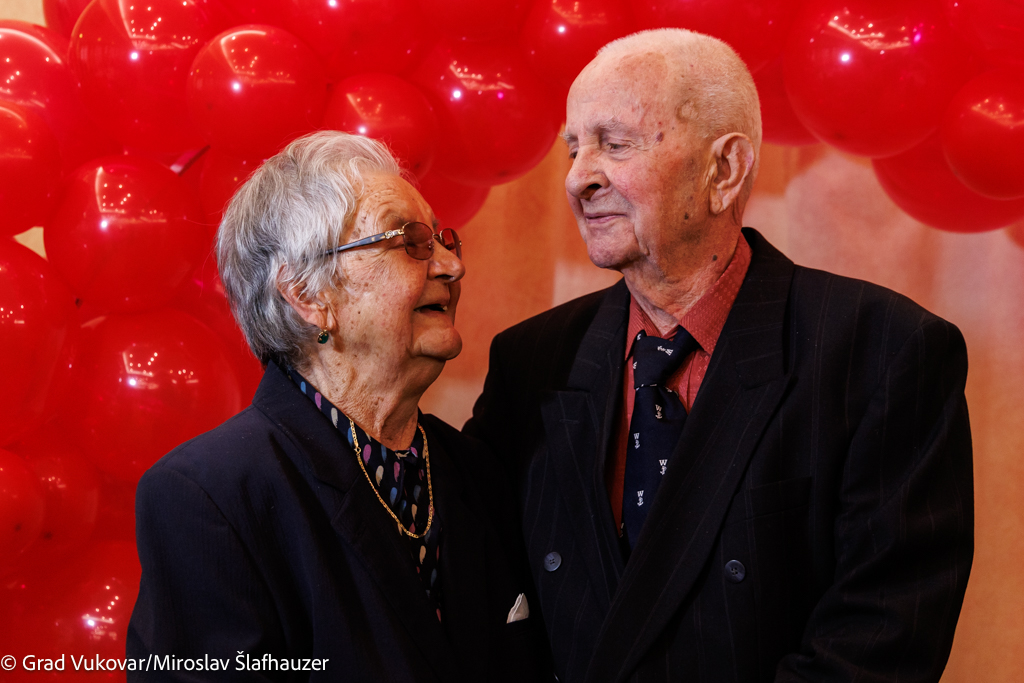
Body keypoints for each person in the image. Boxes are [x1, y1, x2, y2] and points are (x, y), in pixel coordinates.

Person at [464, 29, 973, 683]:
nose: (577, 178)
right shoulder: (530, 361)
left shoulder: (884, 354)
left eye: (614, 144)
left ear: (724, 170)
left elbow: (878, 643)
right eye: (573, 148)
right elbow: (472, 586)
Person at [127, 131, 547, 681]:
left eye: (443, 240)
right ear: (308, 295)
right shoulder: (212, 495)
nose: (451, 266)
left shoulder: (478, 470)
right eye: (410, 241)